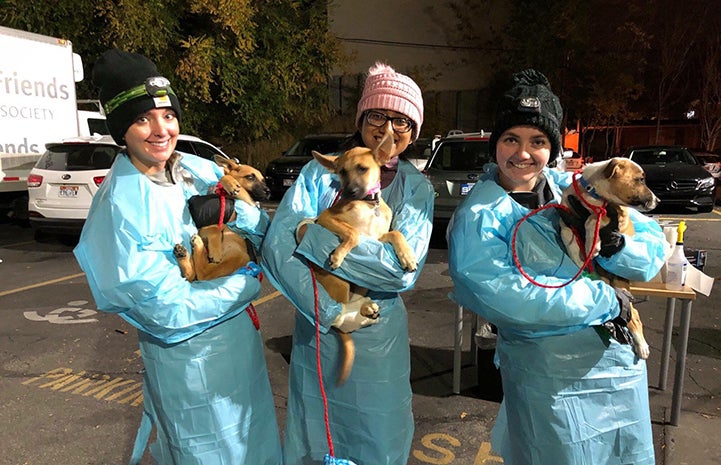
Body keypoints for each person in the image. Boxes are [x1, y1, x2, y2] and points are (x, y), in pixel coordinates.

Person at [447, 69, 667, 465]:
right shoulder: (480, 216)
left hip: (619, 370)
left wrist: (618, 247)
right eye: (511, 138)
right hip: (550, 384)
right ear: (494, 143)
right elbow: (510, 298)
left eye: (538, 141)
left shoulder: (575, 188)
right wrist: (605, 298)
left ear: (553, 147)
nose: (523, 153)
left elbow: (652, 248)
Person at [73, 49, 282, 465]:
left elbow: (263, 232)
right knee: (205, 452)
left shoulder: (196, 169)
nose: (159, 129)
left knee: (255, 444)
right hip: (189, 364)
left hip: (241, 351)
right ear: (121, 130)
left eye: (167, 115)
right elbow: (162, 308)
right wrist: (244, 284)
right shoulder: (121, 202)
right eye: (141, 119)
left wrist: (240, 212)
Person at [261, 62, 434, 465]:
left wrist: (314, 235)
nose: (387, 128)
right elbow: (276, 247)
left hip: (379, 333)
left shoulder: (417, 188)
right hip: (318, 326)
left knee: (377, 435)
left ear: (413, 132)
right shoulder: (318, 174)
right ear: (361, 118)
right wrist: (331, 310)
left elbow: (397, 270)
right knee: (315, 433)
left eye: (402, 121)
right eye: (377, 115)